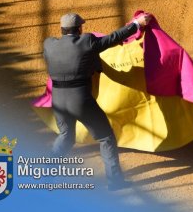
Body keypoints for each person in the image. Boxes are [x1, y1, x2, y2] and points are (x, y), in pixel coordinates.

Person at [43, 12, 152, 191]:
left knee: (65, 136)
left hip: (58, 99)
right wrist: (136, 24)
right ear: (79, 29)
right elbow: (113, 38)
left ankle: (47, 174)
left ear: (62, 30)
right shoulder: (87, 41)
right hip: (80, 99)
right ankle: (114, 181)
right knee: (105, 136)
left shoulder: (49, 44)